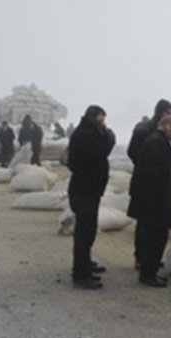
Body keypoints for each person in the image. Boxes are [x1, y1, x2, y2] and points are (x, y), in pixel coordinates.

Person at [127, 116, 171, 288]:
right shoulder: (156, 144)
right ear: (165, 127)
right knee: (154, 238)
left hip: (152, 200)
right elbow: (152, 174)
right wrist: (166, 184)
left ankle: (150, 271)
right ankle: (148, 274)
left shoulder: (158, 142)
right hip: (153, 202)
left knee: (155, 236)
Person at [67, 105, 116, 290]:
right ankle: (80, 274)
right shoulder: (85, 135)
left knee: (88, 230)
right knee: (84, 232)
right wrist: (110, 138)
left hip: (89, 189)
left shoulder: (87, 132)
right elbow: (100, 152)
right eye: (102, 120)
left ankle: (85, 264)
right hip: (85, 190)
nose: (104, 124)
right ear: (94, 118)